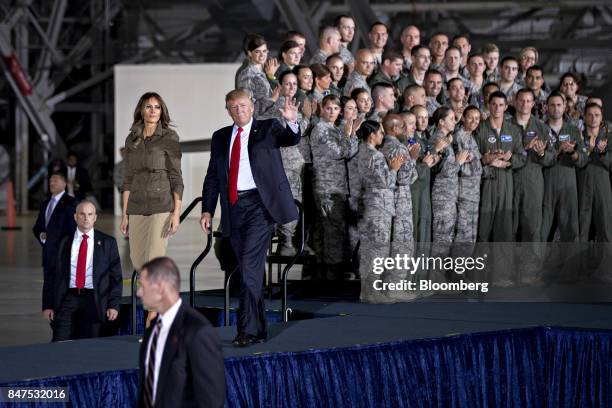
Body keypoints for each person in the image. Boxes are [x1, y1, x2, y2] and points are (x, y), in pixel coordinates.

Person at [200, 88, 300, 346]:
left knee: (249, 267)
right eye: (233, 107)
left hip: (259, 206)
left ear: (252, 107)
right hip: (233, 209)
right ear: (228, 110)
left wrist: (291, 121)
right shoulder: (220, 137)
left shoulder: (267, 129)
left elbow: (290, 138)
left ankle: (246, 330)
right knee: (248, 271)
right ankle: (259, 329)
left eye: (243, 106)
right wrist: (207, 209)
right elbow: (213, 176)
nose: (239, 111)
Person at [137, 257, 225, 408]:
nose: (139, 293)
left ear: (160, 288)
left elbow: (211, 400)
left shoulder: (198, 331)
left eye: (143, 286)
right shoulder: (153, 330)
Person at [120, 92, 183, 272]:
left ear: (162, 111)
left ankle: (154, 300)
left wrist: (176, 213)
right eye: (148, 106)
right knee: (138, 262)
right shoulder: (131, 139)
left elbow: (176, 177)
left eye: (157, 107)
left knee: (153, 260)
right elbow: (128, 179)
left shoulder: (170, 137)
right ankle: (153, 296)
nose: (153, 110)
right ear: (141, 110)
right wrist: (125, 215)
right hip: (136, 205)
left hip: (161, 205)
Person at [44, 200, 122, 341]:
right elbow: (51, 275)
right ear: (75, 217)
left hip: (94, 300)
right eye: (82, 214)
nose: (86, 218)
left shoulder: (108, 243)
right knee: (60, 341)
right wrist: (47, 305)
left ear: (95, 218)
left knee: (90, 344)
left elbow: (115, 277)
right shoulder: (63, 241)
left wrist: (113, 305)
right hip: (67, 297)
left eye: (90, 214)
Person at [310, 95, 359, 279]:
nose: (332, 112)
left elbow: (351, 151)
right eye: (328, 108)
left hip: (335, 187)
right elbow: (341, 152)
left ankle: (328, 272)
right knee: (332, 230)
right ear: (322, 109)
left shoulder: (334, 129)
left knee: (332, 229)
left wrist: (350, 134)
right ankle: (331, 274)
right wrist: (349, 134)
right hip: (327, 188)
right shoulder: (321, 130)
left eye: (336, 109)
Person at [356, 120, 405, 303]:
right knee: (378, 249)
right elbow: (386, 182)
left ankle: (367, 290)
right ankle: (372, 291)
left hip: (368, 205)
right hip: (379, 207)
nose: (382, 136)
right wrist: (393, 169)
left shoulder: (361, 152)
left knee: (370, 249)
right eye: (380, 133)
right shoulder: (374, 156)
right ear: (372, 135)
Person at [474, 91, 526, 242]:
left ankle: (501, 265)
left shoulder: (513, 130)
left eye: (501, 105)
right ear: (488, 105)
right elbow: (472, 158)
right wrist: (486, 160)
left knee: (503, 229)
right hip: (485, 183)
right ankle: (480, 263)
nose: (497, 108)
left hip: (506, 182)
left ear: (506, 107)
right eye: (494, 104)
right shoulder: (479, 129)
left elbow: (522, 157)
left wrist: (509, 160)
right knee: (483, 229)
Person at [510, 88, 555, 242]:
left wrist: (542, 153)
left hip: (533, 181)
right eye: (521, 100)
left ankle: (531, 265)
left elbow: (552, 158)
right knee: (508, 225)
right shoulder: (505, 125)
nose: (524, 104)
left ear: (533, 104)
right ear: (515, 102)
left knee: (532, 225)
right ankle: (505, 264)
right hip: (509, 179)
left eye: (528, 101)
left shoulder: (541, 128)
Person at [541, 92, 587, 242]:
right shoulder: (539, 129)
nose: (556, 108)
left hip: (568, 183)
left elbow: (583, 160)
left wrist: (573, 153)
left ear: (565, 107)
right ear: (546, 107)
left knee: (570, 230)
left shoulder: (573, 130)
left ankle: (572, 265)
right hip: (545, 183)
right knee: (541, 228)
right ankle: (536, 265)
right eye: (552, 105)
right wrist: (555, 151)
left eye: (559, 105)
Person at [33, 173, 78, 314]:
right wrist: (41, 235)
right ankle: (47, 309)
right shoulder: (46, 203)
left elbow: (73, 230)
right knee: (48, 283)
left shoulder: (70, 202)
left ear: (64, 184)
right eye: (51, 180)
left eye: (56, 180)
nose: (52, 183)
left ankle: (62, 312)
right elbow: (38, 227)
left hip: (63, 253)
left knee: (61, 285)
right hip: (48, 253)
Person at [430, 107, 469, 243]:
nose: (455, 121)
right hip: (442, 196)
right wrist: (458, 162)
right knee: (442, 237)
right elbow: (444, 171)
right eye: (451, 119)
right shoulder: (438, 140)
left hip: (448, 195)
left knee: (448, 235)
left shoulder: (445, 139)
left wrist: (459, 159)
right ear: (441, 122)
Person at [577, 103, 612, 242]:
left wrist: (602, 152)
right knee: (581, 227)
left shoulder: (608, 139)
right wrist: (588, 149)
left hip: (602, 184)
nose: (593, 118)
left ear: (602, 117)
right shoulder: (578, 137)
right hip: (582, 183)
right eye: (590, 115)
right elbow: (575, 161)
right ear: (584, 117)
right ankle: (580, 263)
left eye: (597, 115)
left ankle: (607, 262)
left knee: (606, 226)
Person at [454, 106, 482, 242]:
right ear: (463, 118)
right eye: (471, 117)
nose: (474, 121)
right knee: (462, 231)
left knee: (471, 232)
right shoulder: (458, 137)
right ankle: (459, 263)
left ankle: (467, 262)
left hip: (473, 192)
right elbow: (459, 166)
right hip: (464, 191)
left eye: (477, 118)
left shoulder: (471, 137)